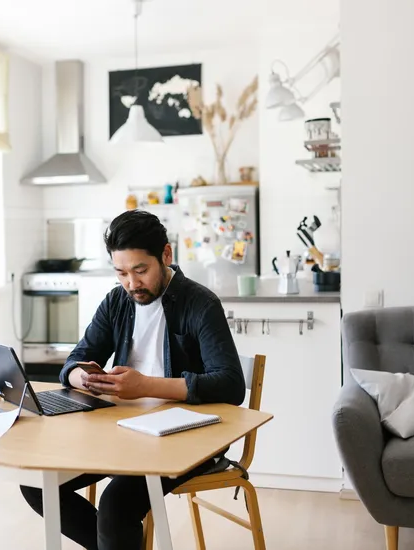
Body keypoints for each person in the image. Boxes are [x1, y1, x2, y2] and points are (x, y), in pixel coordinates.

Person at [20, 210, 246, 550]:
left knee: (116, 505)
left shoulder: (200, 303)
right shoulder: (117, 302)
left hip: (188, 435)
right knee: (36, 482)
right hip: (123, 430)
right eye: (121, 272)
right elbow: (73, 361)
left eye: (141, 270)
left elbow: (230, 385)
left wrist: (145, 387)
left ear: (166, 256)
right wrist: (83, 375)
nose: (131, 283)